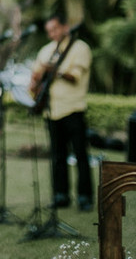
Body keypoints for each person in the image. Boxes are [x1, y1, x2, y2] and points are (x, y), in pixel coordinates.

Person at [29, 16, 94, 211]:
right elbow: (35, 76)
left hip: (73, 108)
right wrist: (36, 81)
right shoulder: (46, 50)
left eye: (55, 29)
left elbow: (75, 77)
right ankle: (61, 195)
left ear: (65, 27)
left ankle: (84, 196)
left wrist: (54, 70)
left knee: (80, 154)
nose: (53, 34)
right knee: (57, 155)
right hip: (52, 110)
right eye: (49, 31)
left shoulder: (80, 48)